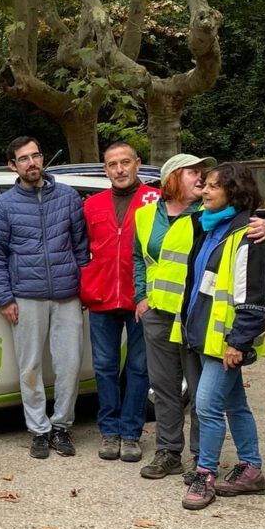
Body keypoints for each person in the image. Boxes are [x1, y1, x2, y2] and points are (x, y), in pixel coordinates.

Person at [134, 155, 265, 481]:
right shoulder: (148, 216)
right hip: (161, 312)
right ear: (171, 178)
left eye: (209, 180)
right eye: (194, 173)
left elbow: (252, 233)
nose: (201, 181)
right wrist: (140, 296)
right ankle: (169, 453)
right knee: (166, 388)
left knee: (204, 397)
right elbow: (138, 258)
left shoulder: (206, 217)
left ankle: (203, 463)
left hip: (199, 322)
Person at [0, 136, 88, 460]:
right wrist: (4, 298)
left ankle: (61, 427)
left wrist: (84, 288)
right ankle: (39, 430)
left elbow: (81, 247)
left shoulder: (68, 197)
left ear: (42, 159)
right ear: (12, 166)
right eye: (24, 158)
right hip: (26, 296)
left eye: (36, 156)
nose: (32, 163)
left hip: (67, 295)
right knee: (29, 367)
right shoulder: (3, 205)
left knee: (69, 365)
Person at [178, 163, 265, 510]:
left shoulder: (248, 236)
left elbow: (254, 296)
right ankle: (251, 469)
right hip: (208, 337)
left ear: (233, 192)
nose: (204, 192)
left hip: (227, 342)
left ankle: (205, 475)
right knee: (235, 403)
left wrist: (238, 341)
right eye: (205, 186)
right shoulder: (212, 228)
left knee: (206, 405)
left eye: (213, 187)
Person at [80, 143, 160, 463]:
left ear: (137, 163)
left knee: (139, 369)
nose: (120, 169)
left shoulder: (155, 201)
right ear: (105, 169)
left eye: (125, 162)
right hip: (100, 297)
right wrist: (85, 284)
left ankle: (130, 434)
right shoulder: (92, 205)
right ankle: (109, 431)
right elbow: (80, 248)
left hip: (141, 299)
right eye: (112, 164)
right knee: (104, 367)